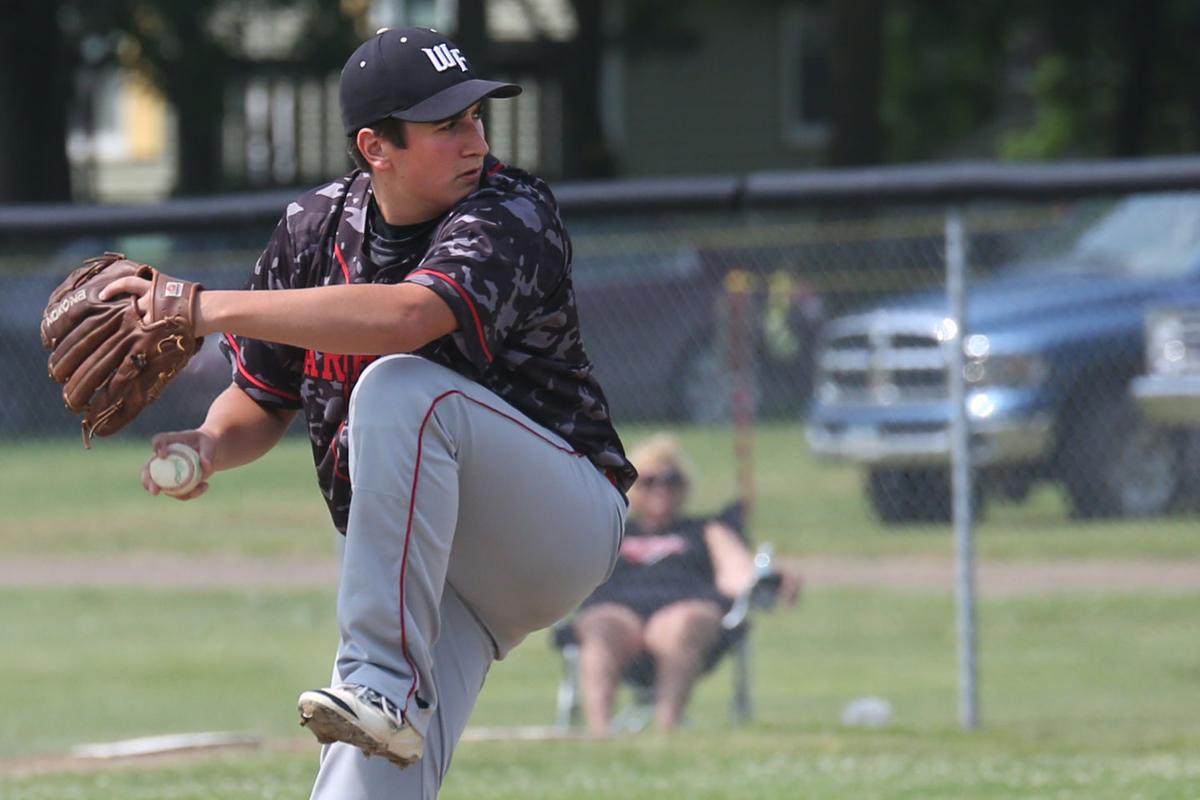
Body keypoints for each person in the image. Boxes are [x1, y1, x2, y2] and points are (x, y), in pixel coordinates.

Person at [99, 26, 635, 800]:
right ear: (374, 147)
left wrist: (200, 306)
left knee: (396, 387)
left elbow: (406, 320)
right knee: (360, 782)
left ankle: (382, 680)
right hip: (438, 583)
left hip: (558, 522)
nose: (473, 138)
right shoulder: (313, 230)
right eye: (446, 123)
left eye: (476, 117)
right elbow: (260, 396)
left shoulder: (512, 209)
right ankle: (383, 692)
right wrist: (210, 444)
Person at [572, 434, 799, 736]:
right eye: (650, 480)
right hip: (620, 613)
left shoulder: (707, 529)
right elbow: (573, 567)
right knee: (600, 623)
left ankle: (666, 731)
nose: (662, 489)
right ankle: (599, 736)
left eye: (672, 480)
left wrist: (772, 577)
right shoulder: (612, 530)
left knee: (683, 622)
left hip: (687, 611)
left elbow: (739, 573)